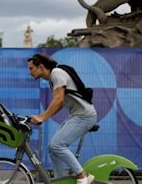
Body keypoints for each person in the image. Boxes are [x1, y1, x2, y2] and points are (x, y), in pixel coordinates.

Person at [27, 53, 97, 184]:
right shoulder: (52, 79)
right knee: (52, 148)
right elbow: (61, 103)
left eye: (31, 68)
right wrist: (42, 117)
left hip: (84, 116)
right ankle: (59, 181)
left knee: (57, 145)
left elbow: (58, 99)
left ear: (41, 66)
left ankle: (82, 176)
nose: (29, 72)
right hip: (77, 115)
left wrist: (42, 117)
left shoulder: (56, 74)